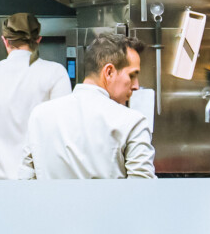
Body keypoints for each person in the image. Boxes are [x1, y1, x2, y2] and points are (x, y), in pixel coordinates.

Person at [20, 30, 156, 180]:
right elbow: (142, 193)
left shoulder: (39, 115)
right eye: (132, 75)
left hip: (50, 204)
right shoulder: (133, 122)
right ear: (109, 72)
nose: (136, 85)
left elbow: (26, 184)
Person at [0, 10, 69, 180]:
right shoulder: (55, 73)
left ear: (4, 41)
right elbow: (62, 130)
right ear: (38, 40)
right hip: (35, 184)